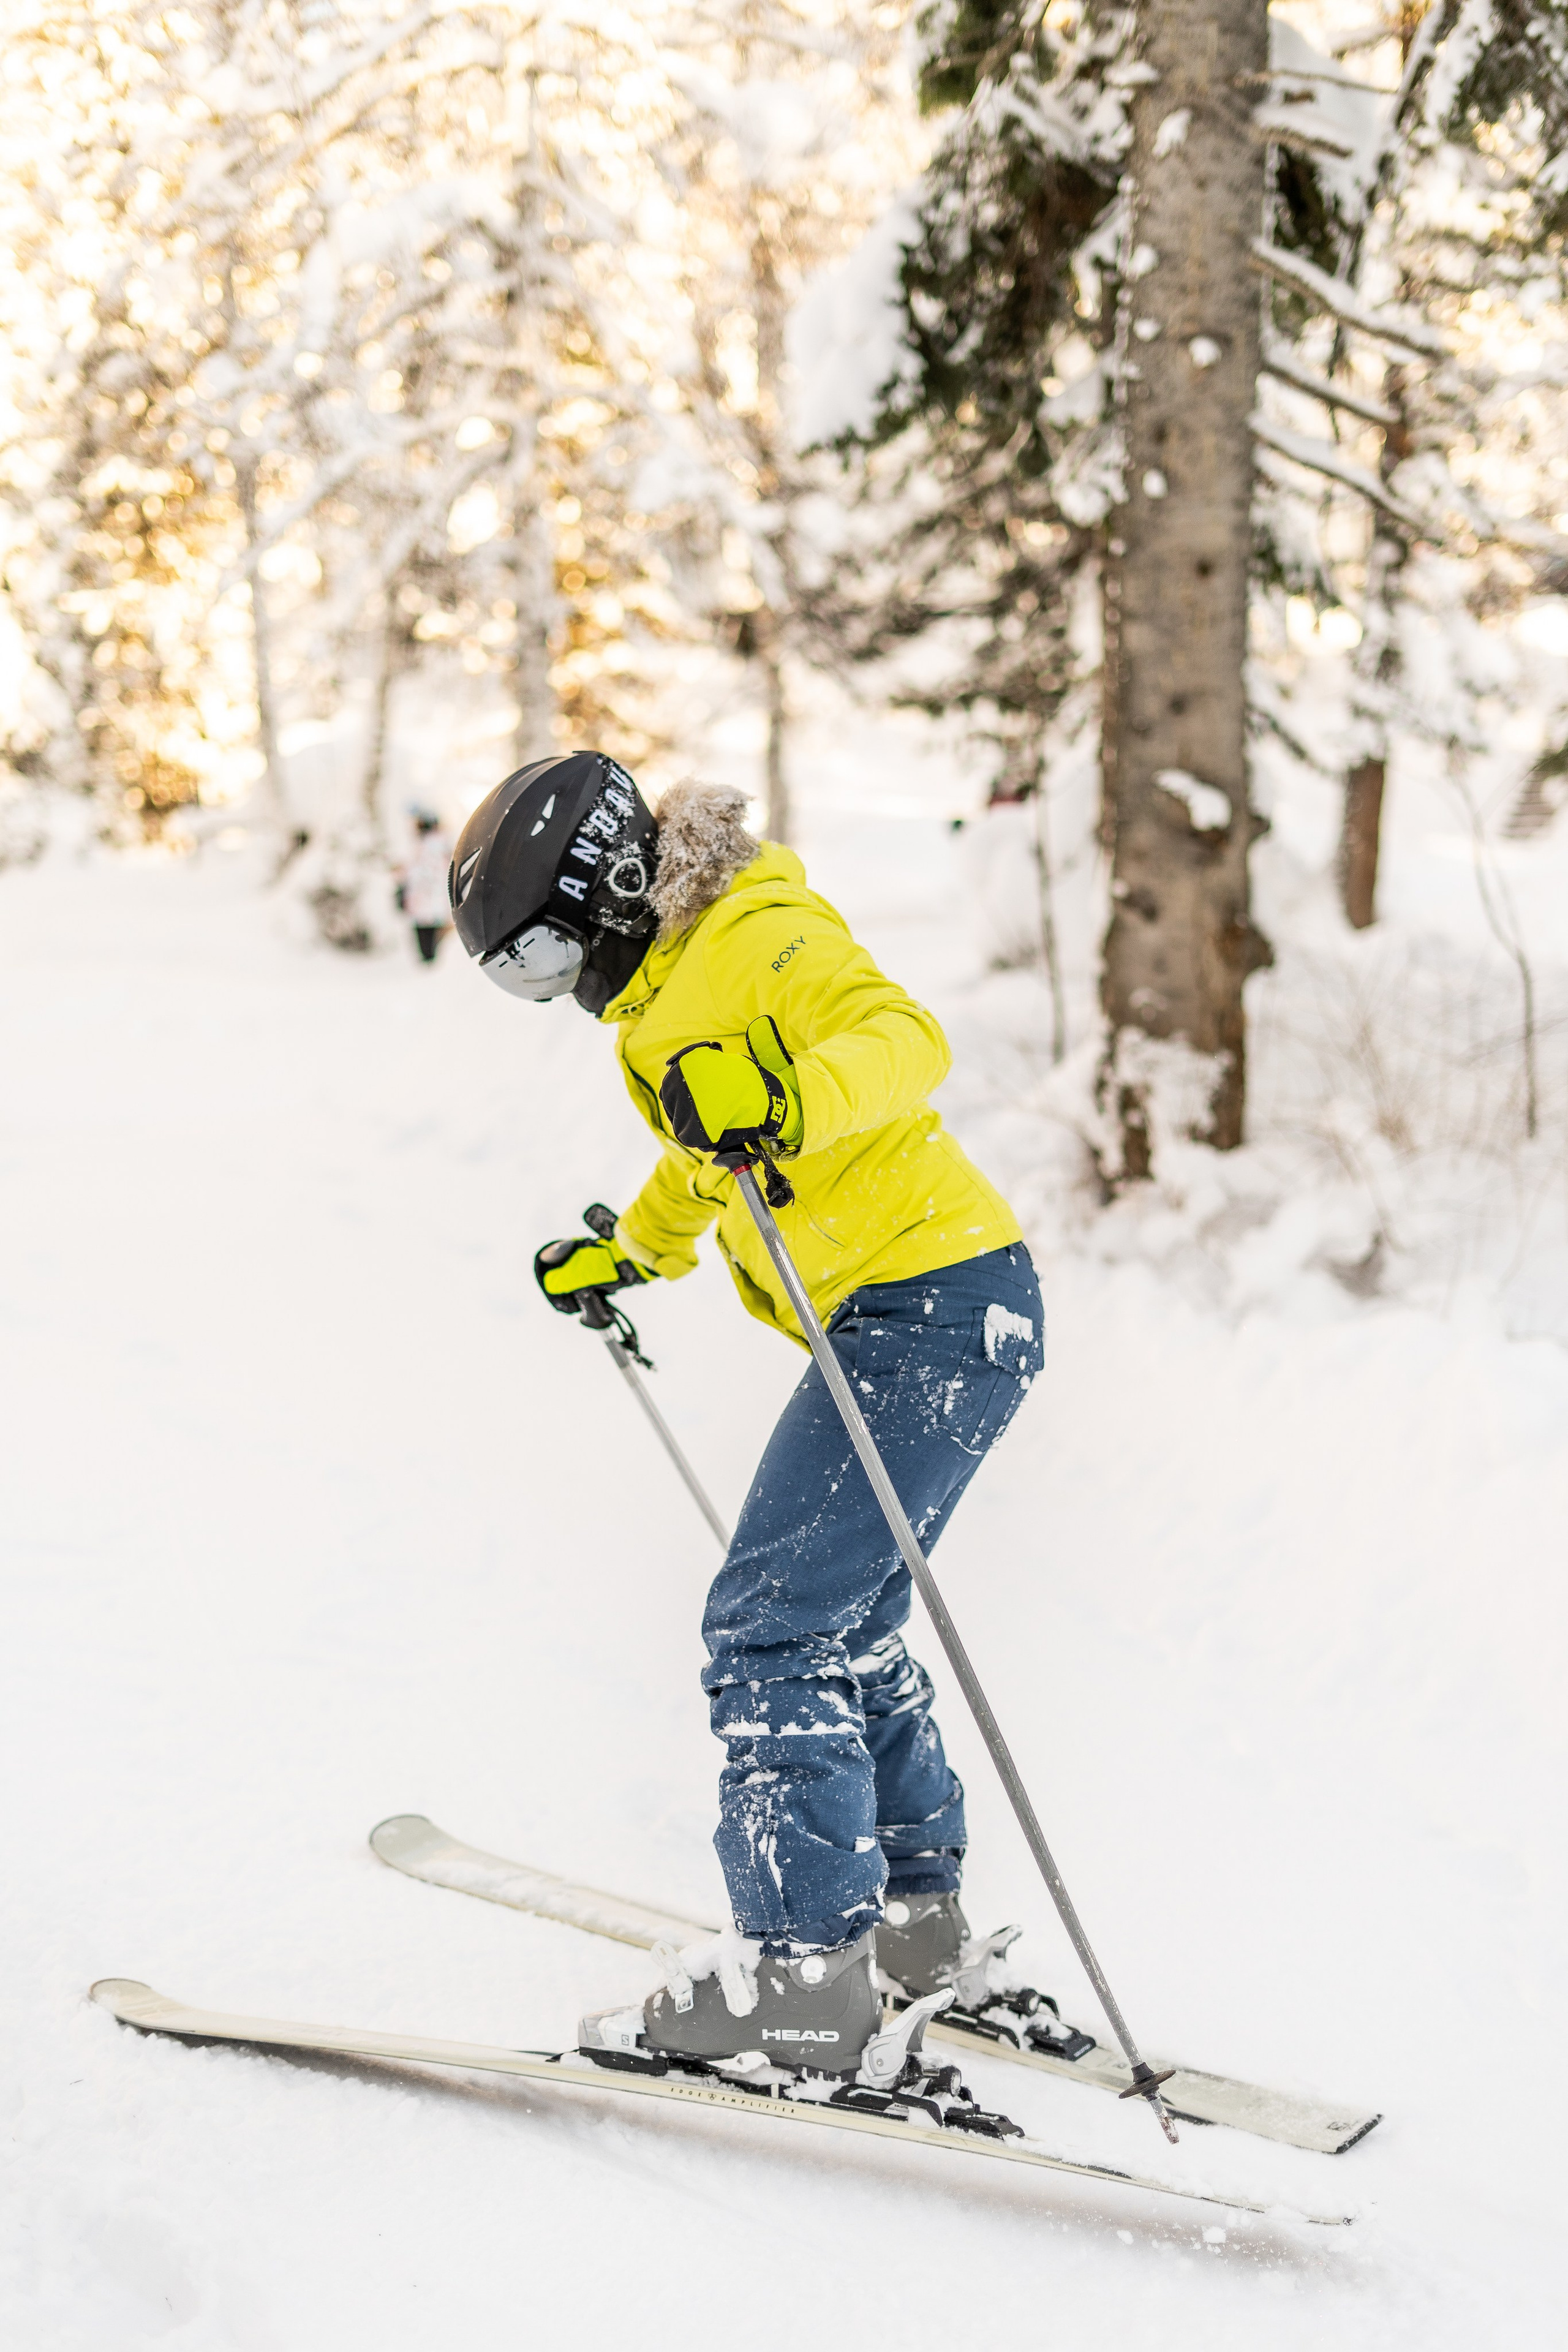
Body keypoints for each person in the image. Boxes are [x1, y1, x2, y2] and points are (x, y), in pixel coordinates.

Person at [450, 750, 1058, 2082]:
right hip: (932, 1310)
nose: (553, 991)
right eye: (521, 974)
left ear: (609, 890)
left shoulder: (757, 933)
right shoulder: (667, 989)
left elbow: (904, 1044)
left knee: (769, 1625)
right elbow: (701, 1152)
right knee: (837, 1623)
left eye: (546, 954)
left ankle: (798, 1987)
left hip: (930, 1311)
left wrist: (780, 1098)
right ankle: (912, 1932)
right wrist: (632, 1252)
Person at [396, 806, 454, 963]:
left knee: (429, 956)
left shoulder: (423, 847)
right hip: (440, 908)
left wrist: (402, 887)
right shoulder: (445, 845)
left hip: (423, 908)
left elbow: (414, 876)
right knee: (440, 954)